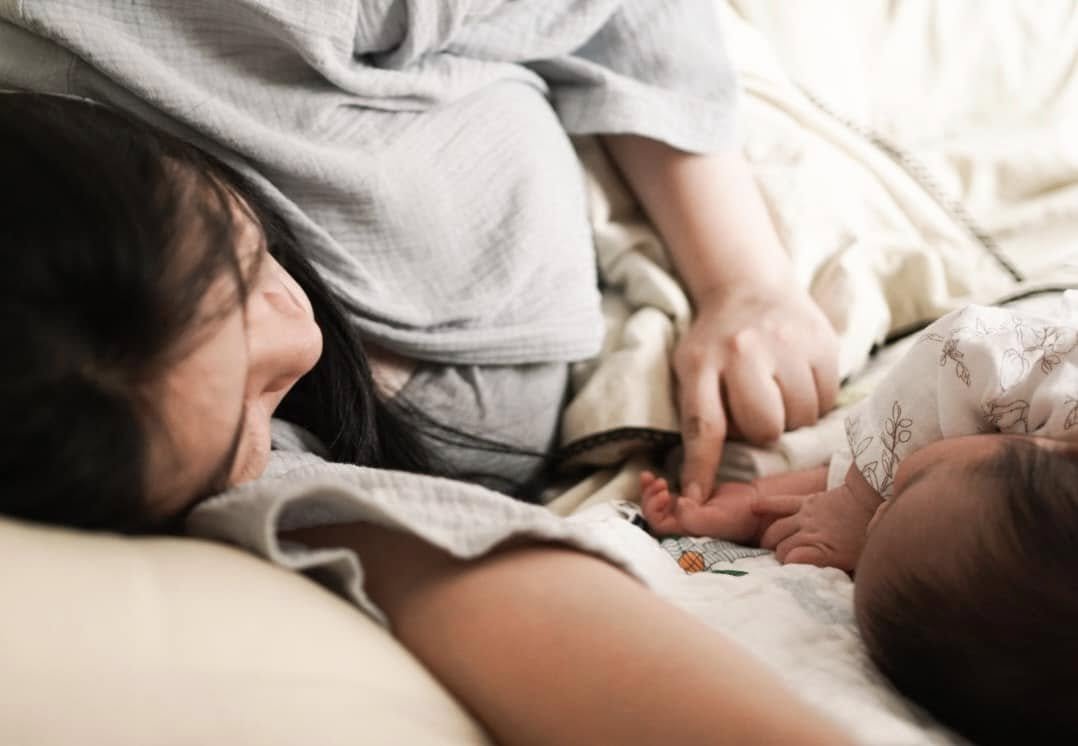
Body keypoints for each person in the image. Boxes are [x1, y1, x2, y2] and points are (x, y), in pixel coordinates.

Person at [640, 297, 1078, 745]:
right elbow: (963, 347)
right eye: (905, 490)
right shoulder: (1054, 387)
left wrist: (764, 502)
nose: (880, 512)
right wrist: (857, 499)